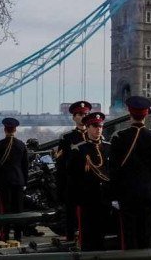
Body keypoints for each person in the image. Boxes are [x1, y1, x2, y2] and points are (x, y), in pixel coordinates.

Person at [110, 96, 151, 250]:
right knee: (146, 236)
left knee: (129, 237)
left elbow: (113, 170)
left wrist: (114, 196)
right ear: (146, 114)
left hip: (126, 195)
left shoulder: (119, 138)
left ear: (129, 114)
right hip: (148, 195)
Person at [67, 112, 111, 251]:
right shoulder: (79, 149)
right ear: (87, 127)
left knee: (103, 234)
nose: (98, 129)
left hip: (105, 197)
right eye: (94, 126)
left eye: (100, 126)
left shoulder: (109, 148)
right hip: (87, 198)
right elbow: (73, 177)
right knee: (87, 235)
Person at [56, 100, 90, 241]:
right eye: (80, 114)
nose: (83, 117)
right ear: (74, 117)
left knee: (89, 214)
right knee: (71, 213)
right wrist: (61, 187)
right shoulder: (67, 138)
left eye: (86, 114)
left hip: (90, 182)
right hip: (73, 181)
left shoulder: (95, 135)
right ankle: (70, 238)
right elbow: (61, 164)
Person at [0, 117, 28, 241]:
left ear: (4, 130)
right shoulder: (21, 144)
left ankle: (5, 235)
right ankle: (18, 236)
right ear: (15, 130)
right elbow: (25, 166)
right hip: (18, 181)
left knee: (5, 210)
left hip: (3, 181)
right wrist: (25, 182)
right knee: (18, 210)